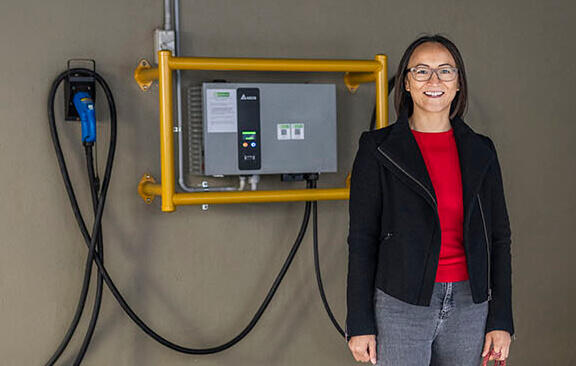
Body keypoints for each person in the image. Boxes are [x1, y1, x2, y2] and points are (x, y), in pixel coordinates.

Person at [345, 34, 514, 365]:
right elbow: (361, 240)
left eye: (445, 71)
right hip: (401, 303)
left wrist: (501, 319)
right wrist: (359, 323)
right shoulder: (377, 149)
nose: (434, 80)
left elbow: (499, 238)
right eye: (421, 71)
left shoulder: (482, 150)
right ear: (406, 83)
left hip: (470, 304)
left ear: (458, 84)